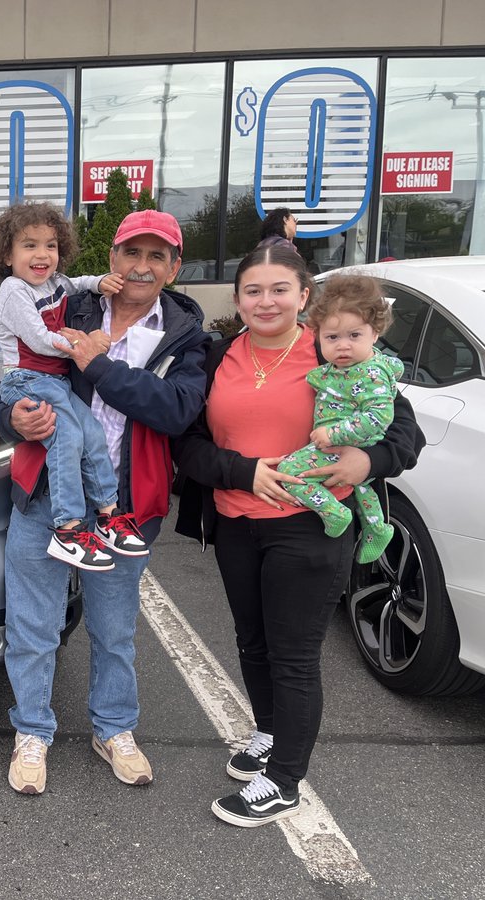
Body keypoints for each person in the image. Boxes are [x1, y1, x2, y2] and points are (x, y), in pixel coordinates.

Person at [172, 245, 424, 827]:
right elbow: (186, 444)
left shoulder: (338, 348)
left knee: (292, 655)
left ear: (304, 296)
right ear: (236, 301)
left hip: (311, 527)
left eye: (280, 289)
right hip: (236, 522)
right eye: (253, 291)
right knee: (252, 642)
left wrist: (367, 462)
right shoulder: (215, 358)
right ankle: (269, 731)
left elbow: (403, 431)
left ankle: (284, 780)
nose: (266, 301)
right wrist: (244, 472)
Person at [0, 209, 209, 795]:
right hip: (43, 494)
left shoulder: (187, 336)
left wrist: (99, 364)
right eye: (131, 253)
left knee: (114, 631)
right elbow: (12, 383)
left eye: (156, 256)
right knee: (31, 625)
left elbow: (175, 410)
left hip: (127, 508)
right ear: (112, 259)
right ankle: (32, 731)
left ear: (173, 268)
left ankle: (114, 728)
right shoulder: (69, 304)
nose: (141, 266)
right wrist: (12, 419)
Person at [0, 201, 151, 572]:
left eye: (51, 245)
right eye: (29, 245)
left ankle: (108, 514)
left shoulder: (55, 282)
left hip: (55, 382)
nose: (42, 254)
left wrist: (99, 283)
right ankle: (68, 527)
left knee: (91, 432)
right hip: (25, 380)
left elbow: (76, 284)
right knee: (67, 438)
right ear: (8, 256)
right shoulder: (14, 291)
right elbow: (41, 339)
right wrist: (85, 345)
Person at [276, 274, 403, 563]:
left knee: (290, 472)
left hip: (341, 442)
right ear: (318, 336)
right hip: (347, 445)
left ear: (375, 333)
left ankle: (334, 513)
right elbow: (336, 383)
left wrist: (332, 435)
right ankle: (377, 527)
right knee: (360, 485)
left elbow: (378, 416)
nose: (342, 346)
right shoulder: (354, 367)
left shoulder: (371, 373)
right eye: (332, 338)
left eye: (354, 335)